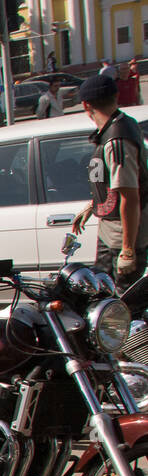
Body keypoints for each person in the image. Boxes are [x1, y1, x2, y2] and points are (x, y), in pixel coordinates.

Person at [73, 73, 148, 305]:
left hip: (120, 239)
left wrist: (127, 251)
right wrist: (92, 205)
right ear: (116, 97)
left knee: (119, 308)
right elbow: (113, 184)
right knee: (102, 298)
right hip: (112, 233)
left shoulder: (117, 139)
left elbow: (130, 196)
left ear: (86, 105)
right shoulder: (121, 125)